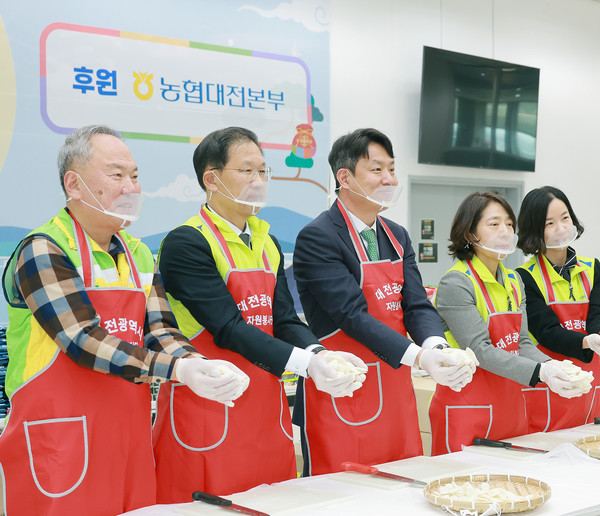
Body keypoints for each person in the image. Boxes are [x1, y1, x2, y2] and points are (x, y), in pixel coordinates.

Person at [0, 125, 247, 516]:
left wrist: (197, 363)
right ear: (74, 184)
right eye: (117, 175)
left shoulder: (139, 254)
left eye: (134, 176)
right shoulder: (43, 249)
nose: (131, 187)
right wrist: (178, 370)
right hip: (60, 442)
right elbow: (82, 338)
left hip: (128, 439)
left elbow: (160, 330)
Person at [152, 127, 366, 502]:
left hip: (266, 412)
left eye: (264, 171)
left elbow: (283, 320)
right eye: (247, 170)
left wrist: (320, 354)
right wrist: (307, 365)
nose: (259, 180)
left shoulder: (267, 241)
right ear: (211, 179)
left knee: (275, 503)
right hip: (210, 411)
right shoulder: (186, 242)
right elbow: (228, 327)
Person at [293, 128, 475, 475]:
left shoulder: (397, 234)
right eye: (377, 169)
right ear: (344, 177)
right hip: (343, 386)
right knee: (341, 491)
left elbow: (416, 304)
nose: (389, 179)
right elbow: (352, 315)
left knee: (403, 481)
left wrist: (436, 347)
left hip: (394, 386)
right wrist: (420, 356)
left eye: (392, 169)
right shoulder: (319, 236)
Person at [429, 192, 586, 455]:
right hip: (468, 408)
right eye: (494, 224)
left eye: (510, 224)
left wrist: (552, 365)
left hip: (511, 406)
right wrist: (540, 372)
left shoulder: (514, 281)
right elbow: (479, 349)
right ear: (469, 234)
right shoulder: (456, 282)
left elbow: (521, 342)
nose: (505, 231)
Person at [516, 185, 600, 432]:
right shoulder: (524, 277)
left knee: (590, 440)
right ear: (534, 230)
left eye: (565, 218)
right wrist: (590, 342)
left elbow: (598, 315)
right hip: (551, 381)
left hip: (589, 381)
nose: (561, 228)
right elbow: (547, 332)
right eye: (549, 223)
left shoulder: (593, 268)